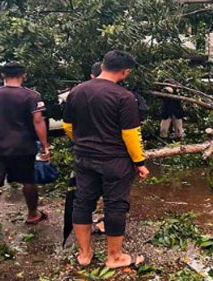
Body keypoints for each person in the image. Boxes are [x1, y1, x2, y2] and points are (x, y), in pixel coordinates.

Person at [63, 50, 150, 269]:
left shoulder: (76, 91)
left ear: (102, 65)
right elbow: (130, 134)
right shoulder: (124, 97)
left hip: (84, 158)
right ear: (125, 71)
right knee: (116, 206)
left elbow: (67, 126)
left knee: (82, 202)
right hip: (115, 161)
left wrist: (82, 142)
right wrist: (139, 162)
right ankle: (115, 257)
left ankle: (84, 254)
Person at [0, 62, 51, 241]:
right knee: (28, 181)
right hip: (23, 147)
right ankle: (33, 214)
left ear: (2, 75)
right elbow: (38, 121)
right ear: (24, 74)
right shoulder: (32, 96)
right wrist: (45, 145)